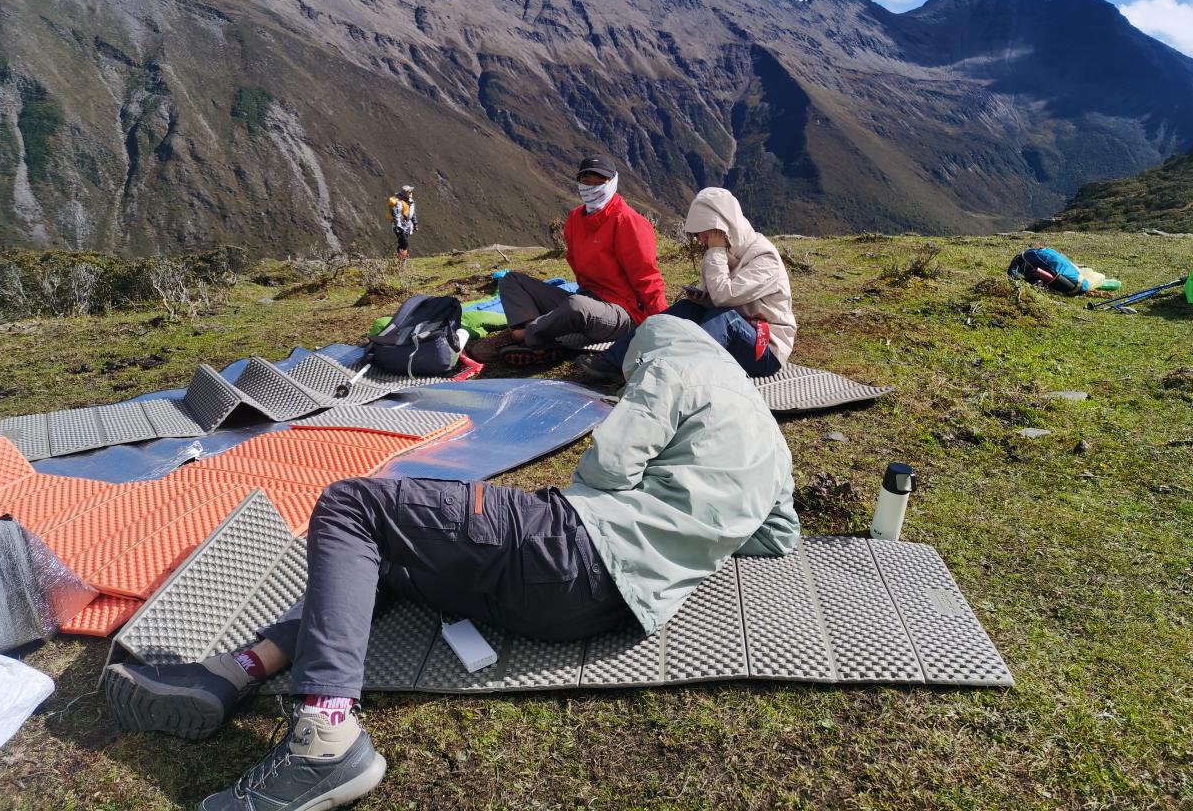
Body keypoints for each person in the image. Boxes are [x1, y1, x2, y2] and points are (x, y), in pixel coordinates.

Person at [105, 316, 799, 811]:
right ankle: (236, 671)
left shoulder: (675, 361)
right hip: (602, 606)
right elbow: (778, 537)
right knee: (392, 557)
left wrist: (617, 476)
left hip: (568, 546)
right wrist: (688, 520)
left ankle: (325, 733)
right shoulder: (768, 437)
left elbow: (612, 465)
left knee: (352, 508)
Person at [578, 187, 796, 383]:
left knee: (724, 318)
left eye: (705, 231)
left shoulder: (764, 258)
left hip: (765, 351)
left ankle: (680, 378)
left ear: (722, 226)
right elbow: (721, 298)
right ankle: (615, 360)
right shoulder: (725, 253)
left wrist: (716, 252)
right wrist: (705, 298)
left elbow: (724, 296)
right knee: (684, 309)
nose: (701, 238)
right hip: (735, 336)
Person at [471, 155, 667, 366]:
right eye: (586, 181)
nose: (591, 187)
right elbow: (577, 265)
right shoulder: (575, 219)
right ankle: (538, 339)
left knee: (576, 306)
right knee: (511, 280)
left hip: (623, 313)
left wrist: (665, 323)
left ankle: (521, 336)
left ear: (612, 182)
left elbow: (647, 276)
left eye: (599, 181)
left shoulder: (628, 221)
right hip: (590, 299)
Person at [388, 185, 418, 259]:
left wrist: (415, 224)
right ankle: (401, 261)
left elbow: (413, 213)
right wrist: (399, 227)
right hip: (399, 227)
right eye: (409, 192)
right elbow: (397, 216)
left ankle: (399, 261)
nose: (411, 193)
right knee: (405, 243)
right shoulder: (398, 203)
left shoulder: (410, 201)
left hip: (407, 226)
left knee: (402, 244)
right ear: (406, 193)